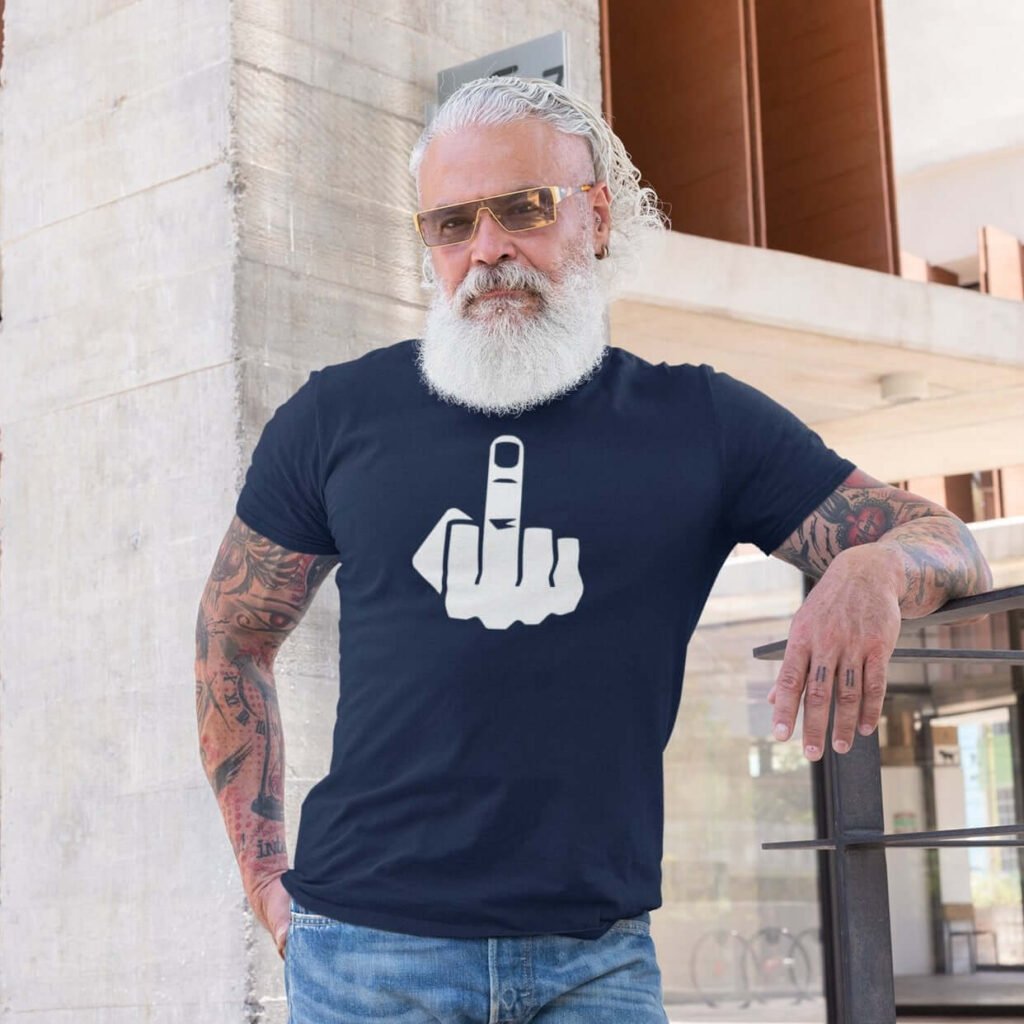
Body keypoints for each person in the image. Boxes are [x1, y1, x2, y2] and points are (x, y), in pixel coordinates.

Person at [194, 76, 993, 1022]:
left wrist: (873, 566)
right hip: (369, 962)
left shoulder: (699, 422)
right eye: (450, 225)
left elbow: (946, 540)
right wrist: (267, 883)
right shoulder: (336, 416)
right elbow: (231, 634)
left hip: (594, 967)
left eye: (522, 209)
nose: (487, 249)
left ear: (597, 217)